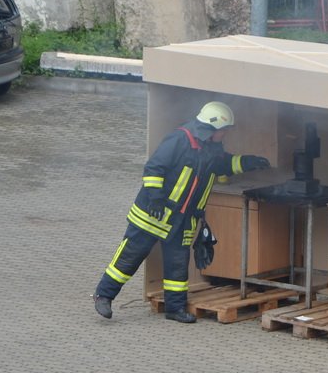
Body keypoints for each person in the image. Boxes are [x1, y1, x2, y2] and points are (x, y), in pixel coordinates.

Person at [93, 101, 270, 323]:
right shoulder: (179, 140)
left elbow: (223, 164)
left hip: (183, 219)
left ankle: (175, 309)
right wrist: (156, 200)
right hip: (152, 215)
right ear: (211, 128)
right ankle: (104, 296)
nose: (225, 134)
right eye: (224, 130)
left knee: (177, 265)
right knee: (130, 257)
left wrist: (247, 162)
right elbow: (154, 168)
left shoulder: (212, 147)